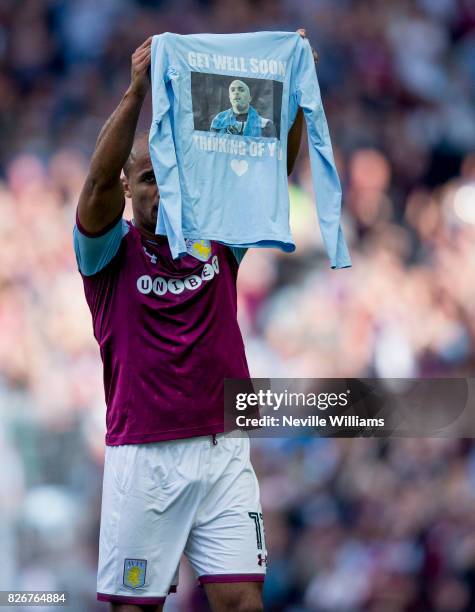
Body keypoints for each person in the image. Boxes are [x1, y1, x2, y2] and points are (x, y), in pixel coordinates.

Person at [74, 30, 308, 612]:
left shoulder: (217, 236)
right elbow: (96, 184)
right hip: (144, 457)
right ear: (129, 187)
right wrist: (135, 95)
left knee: (240, 603)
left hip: (223, 447)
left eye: (168, 177)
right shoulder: (105, 252)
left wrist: (296, 86)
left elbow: (272, 165)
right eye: (147, 179)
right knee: (134, 607)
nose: (159, 191)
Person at [211, 79, 277, 137]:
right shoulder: (218, 121)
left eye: (241, 90)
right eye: (232, 90)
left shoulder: (266, 125)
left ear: (249, 98)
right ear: (230, 98)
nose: (236, 92)